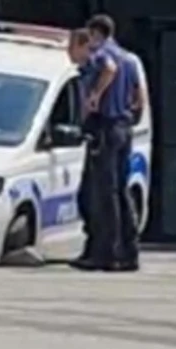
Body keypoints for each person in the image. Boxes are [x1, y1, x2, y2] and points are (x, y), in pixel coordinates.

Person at [71, 14, 144, 272]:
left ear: (95, 34)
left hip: (106, 126)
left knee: (103, 194)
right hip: (123, 127)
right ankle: (128, 252)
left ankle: (107, 253)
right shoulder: (130, 59)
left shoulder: (103, 54)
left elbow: (108, 68)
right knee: (121, 191)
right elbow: (138, 95)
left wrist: (95, 96)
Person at [66, 28, 117, 265]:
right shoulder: (85, 69)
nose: (68, 52)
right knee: (94, 195)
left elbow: (110, 68)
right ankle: (99, 251)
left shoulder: (98, 59)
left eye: (71, 47)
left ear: (84, 46)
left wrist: (95, 95)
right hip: (104, 129)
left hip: (103, 130)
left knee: (98, 195)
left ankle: (102, 252)